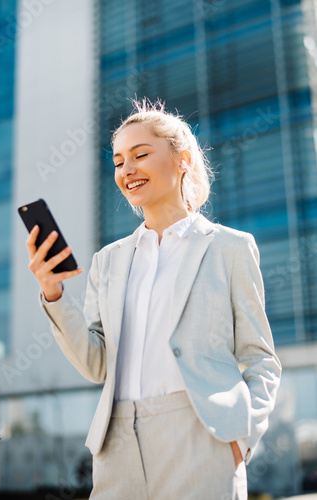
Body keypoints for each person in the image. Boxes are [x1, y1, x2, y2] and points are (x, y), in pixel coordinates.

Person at [26, 99, 281, 500]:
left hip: (202, 435)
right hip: (117, 443)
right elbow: (96, 364)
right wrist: (54, 293)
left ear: (182, 161)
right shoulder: (107, 261)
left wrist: (241, 437)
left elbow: (260, 358)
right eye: (118, 161)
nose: (126, 169)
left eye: (141, 155)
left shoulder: (230, 248)